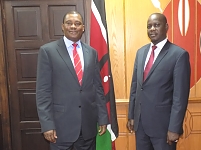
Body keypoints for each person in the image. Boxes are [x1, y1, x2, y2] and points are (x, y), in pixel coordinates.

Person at [36, 10, 109, 150]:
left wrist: (103, 118)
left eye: (77, 23)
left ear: (83, 27)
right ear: (62, 26)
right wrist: (47, 124)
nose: (73, 26)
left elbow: (97, 88)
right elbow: (43, 92)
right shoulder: (48, 51)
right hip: (60, 129)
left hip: (87, 128)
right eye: (69, 23)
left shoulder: (91, 53)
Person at [127, 13, 191, 150]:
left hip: (164, 128)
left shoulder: (179, 55)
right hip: (141, 125)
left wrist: (174, 128)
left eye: (156, 25)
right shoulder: (141, 53)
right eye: (149, 26)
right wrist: (132, 115)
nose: (152, 29)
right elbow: (135, 87)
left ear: (166, 27)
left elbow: (180, 97)